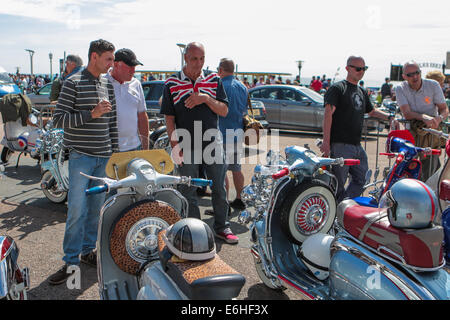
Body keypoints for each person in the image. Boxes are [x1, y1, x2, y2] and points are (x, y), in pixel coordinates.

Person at [49, 39, 118, 285]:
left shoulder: (106, 83)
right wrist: (91, 114)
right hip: (81, 157)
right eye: (108, 59)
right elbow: (58, 121)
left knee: (96, 211)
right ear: (94, 57)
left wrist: (116, 155)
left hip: (103, 157)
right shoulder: (72, 83)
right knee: (76, 211)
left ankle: (88, 251)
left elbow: (113, 123)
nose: (112, 64)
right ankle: (70, 261)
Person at [160, 42, 238, 244]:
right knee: (188, 188)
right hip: (186, 142)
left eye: (202, 58)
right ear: (185, 58)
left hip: (212, 140)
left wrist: (205, 98)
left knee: (219, 187)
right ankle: (195, 231)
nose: (199, 63)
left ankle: (222, 226)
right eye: (194, 58)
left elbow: (224, 110)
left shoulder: (213, 80)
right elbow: (169, 118)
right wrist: (175, 145)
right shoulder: (171, 83)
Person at [320, 56, 396, 203]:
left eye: (364, 68)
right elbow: (328, 114)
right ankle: (333, 213)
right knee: (337, 184)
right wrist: (326, 142)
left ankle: (343, 206)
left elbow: (372, 112)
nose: (361, 71)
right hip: (340, 144)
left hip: (356, 145)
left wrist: (390, 117)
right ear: (348, 68)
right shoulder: (337, 88)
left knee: (361, 178)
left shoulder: (361, 91)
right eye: (358, 68)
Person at [395, 61, 448, 182]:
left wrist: (439, 119)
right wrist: (424, 117)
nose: (414, 77)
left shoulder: (433, 85)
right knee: (406, 170)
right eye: (410, 75)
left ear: (420, 72)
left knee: (430, 172)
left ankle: (430, 197)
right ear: (404, 77)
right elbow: (407, 113)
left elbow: (444, 109)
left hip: (431, 136)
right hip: (411, 135)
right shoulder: (400, 88)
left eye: (417, 73)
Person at [217, 58, 247, 210]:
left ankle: (224, 204)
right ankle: (240, 198)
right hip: (237, 131)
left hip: (222, 132)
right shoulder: (242, 86)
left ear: (221, 69)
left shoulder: (221, 85)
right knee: (236, 168)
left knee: (221, 171)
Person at [106, 48, 149, 151]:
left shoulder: (136, 84)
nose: (133, 71)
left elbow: (142, 116)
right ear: (115, 65)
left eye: (134, 67)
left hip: (134, 147)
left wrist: (146, 148)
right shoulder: (101, 83)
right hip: (108, 150)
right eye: (129, 66)